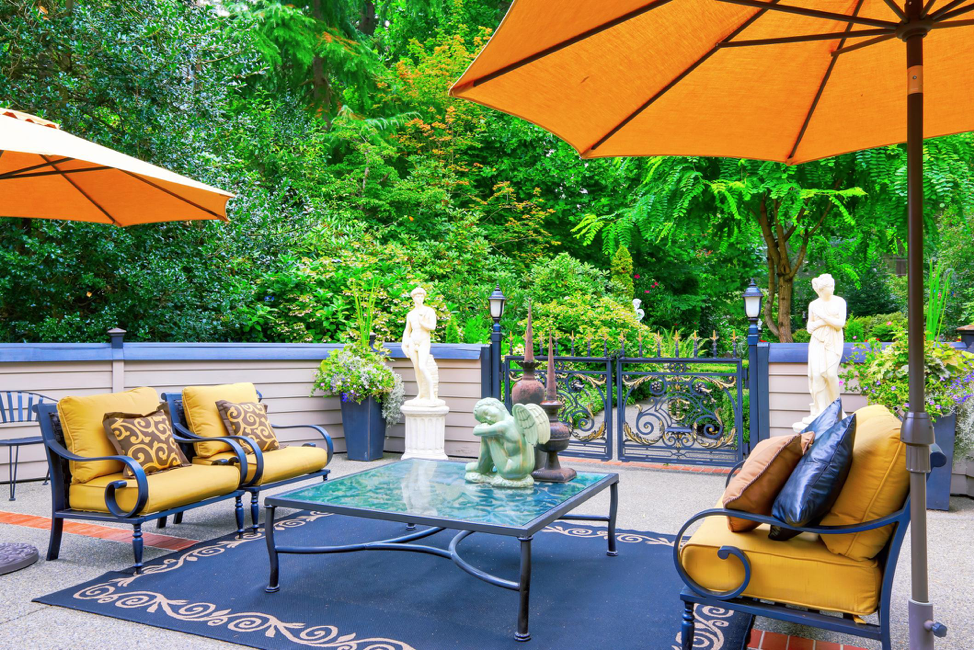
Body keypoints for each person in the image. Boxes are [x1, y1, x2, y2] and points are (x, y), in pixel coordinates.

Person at [803, 274, 847, 425]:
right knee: (816, 375)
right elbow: (809, 328)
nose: (833, 287)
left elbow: (839, 324)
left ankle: (836, 409)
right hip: (817, 341)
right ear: (822, 289)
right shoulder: (813, 305)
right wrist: (826, 321)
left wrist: (821, 318)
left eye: (833, 285)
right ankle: (821, 411)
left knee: (830, 373)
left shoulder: (839, 302)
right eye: (830, 286)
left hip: (833, 341)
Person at [401, 286, 441, 404]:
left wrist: (423, 323)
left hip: (424, 341)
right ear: (413, 298)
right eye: (417, 296)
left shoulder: (429, 311)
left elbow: (432, 327)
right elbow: (407, 330)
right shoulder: (411, 314)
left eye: (421, 296)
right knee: (417, 369)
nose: (419, 298)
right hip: (413, 341)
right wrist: (404, 345)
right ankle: (421, 394)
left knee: (423, 366)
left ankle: (432, 394)